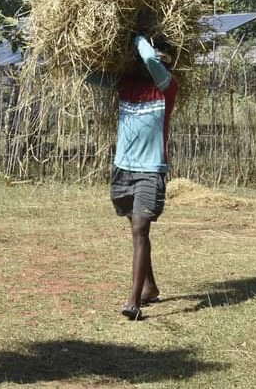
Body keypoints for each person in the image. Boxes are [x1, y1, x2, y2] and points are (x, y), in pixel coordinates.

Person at [98, 33, 178, 321]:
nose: (153, 65)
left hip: (150, 171)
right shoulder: (125, 85)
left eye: (160, 62)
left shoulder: (167, 88)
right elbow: (90, 77)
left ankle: (133, 301)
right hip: (122, 169)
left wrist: (135, 34)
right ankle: (150, 286)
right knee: (137, 232)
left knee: (140, 230)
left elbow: (148, 57)